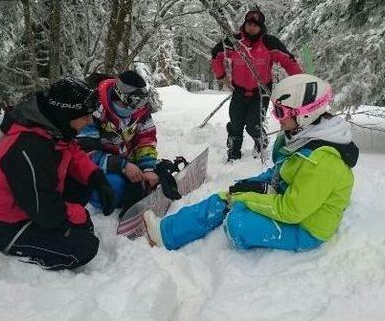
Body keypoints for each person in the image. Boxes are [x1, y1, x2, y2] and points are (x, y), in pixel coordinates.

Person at [143, 74, 359, 252]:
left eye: (282, 111)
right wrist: (248, 187)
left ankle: (182, 230)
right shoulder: (306, 135)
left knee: (237, 222)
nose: (277, 117)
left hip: (306, 226)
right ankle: (166, 233)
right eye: (276, 109)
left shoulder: (324, 163)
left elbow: (292, 211)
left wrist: (246, 196)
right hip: (291, 195)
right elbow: (286, 168)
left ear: (306, 115)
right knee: (227, 195)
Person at [0, 77, 115, 271]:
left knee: (83, 190)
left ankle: (59, 230)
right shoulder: (28, 146)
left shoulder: (53, 128)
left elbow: (73, 152)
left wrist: (97, 178)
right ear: (67, 113)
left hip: (31, 205)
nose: (90, 121)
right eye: (85, 116)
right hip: (5, 224)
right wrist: (77, 214)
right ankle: (20, 255)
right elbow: (45, 210)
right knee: (84, 248)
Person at [211, 9, 303, 161]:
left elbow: (289, 61)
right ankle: (233, 153)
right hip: (239, 91)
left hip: (261, 92)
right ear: (244, 25)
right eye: (249, 24)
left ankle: (261, 144)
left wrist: (301, 81)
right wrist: (221, 76)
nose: (252, 27)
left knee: (254, 124)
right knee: (236, 123)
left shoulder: (270, 43)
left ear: (261, 27)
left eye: (256, 25)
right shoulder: (234, 42)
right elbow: (216, 54)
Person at [77, 70, 160, 213]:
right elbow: (86, 154)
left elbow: (146, 139)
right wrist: (122, 166)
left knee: (155, 175)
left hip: (127, 161)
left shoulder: (139, 110)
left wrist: (147, 169)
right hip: (98, 167)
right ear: (121, 96)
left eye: (141, 102)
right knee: (113, 186)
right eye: (134, 101)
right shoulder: (92, 109)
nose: (137, 107)